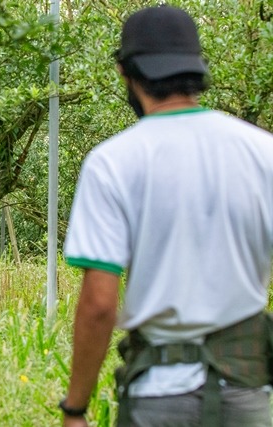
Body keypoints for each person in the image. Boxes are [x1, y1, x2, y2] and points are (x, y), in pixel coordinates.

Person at [59, 5, 273, 427]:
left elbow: (100, 304)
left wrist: (75, 408)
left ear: (125, 71)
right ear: (198, 69)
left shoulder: (113, 161)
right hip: (246, 395)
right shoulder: (262, 151)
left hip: (158, 398)